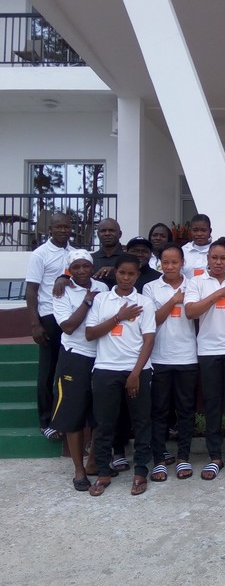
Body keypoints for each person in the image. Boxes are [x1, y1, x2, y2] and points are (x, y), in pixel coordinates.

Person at [85, 254, 156, 497]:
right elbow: (90, 333)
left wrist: (135, 373)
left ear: (138, 275)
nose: (126, 278)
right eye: (122, 273)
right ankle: (103, 472)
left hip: (138, 370)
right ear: (115, 272)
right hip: (105, 369)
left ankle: (140, 472)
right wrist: (118, 317)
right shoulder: (102, 299)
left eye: (131, 274)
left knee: (141, 421)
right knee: (104, 423)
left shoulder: (144, 302)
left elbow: (149, 340)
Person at [185, 238, 225, 480]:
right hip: (208, 349)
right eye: (214, 258)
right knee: (212, 404)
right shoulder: (197, 282)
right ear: (207, 259)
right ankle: (215, 457)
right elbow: (191, 311)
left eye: (223, 258)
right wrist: (220, 293)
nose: (218, 262)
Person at [51, 249, 108, 490]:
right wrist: (87, 301)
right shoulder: (62, 290)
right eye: (76, 267)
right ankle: (78, 469)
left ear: (92, 267)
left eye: (86, 266)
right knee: (74, 415)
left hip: (102, 356)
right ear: (70, 270)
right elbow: (68, 326)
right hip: (75, 357)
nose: (82, 271)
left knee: (100, 413)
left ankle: (93, 462)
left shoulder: (102, 288)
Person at [143, 243, 198, 482]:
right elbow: (152, 320)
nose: (170, 266)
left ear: (182, 263)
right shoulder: (150, 287)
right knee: (159, 410)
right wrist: (175, 300)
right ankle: (159, 458)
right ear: (160, 264)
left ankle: (183, 456)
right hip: (160, 357)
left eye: (175, 262)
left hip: (188, 356)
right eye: (165, 262)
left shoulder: (193, 284)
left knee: (186, 409)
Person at [25, 212, 74, 440]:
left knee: (67, 371)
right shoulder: (40, 254)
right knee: (48, 371)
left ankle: (65, 418)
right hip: (49, 317)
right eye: (59, 227)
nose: (63, 230)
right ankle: (46, 421)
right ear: (50, 229)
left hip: (71, 318)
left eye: (67, 226)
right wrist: (35, 324)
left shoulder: (74, 253)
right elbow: (31, 290)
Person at [91, 218, 124, 286]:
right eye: (103, 231)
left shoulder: (129, 257)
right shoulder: (90, 259)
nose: (107, 233)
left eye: (111, 230)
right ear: (98, 234)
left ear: (120, 234)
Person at [182, 214, 212, 278]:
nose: (199, 234)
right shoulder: (183, 251)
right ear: (190, 231)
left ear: (210, 231)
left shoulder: (217, 250)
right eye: (195, 230)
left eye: (203, 230)